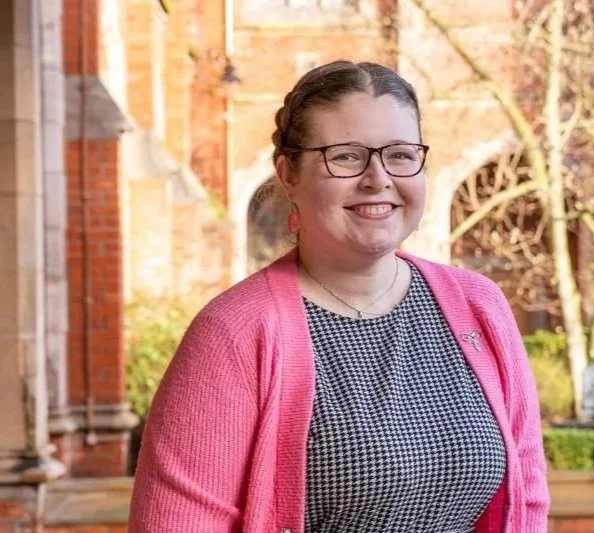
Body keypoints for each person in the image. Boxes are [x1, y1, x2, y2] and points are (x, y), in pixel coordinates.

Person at [128, 60, 549, 532]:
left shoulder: (480, 306)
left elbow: (526, 499)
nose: (378, 178)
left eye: (401, 155)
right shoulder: (235, 332)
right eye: (346, 156)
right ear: (288, 174)